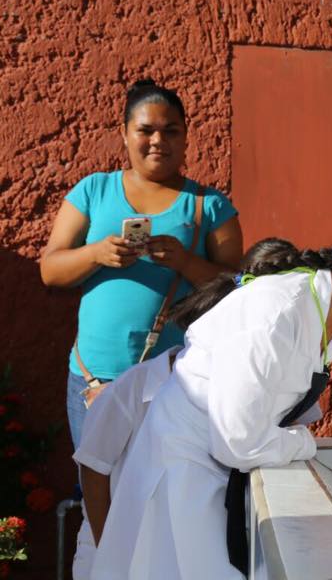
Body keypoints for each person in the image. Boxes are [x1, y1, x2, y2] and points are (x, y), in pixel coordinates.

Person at [91, 200, 332, 579]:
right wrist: (304, 443)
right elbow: (239, 443)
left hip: (216, 484)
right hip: (181, 491)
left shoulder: (329, 320)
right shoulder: (276, 312)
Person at [71, 238, 298, 580]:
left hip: (187, 539)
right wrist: (112, 546)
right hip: (118, 536)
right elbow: (93, 467)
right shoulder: (133, 388)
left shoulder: (258, 381)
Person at [39, 79, 243, 449]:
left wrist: (184, 261)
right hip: (94, 379)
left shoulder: (208, 205)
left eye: (170, 131)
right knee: (99, 497)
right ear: (124, 133)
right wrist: (96, 254)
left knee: (162, 495)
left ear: (185, 136)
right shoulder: (93, 191)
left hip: (173, 381)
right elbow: (50, 270)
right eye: (145, 130)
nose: (157, 141)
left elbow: (236, 286)